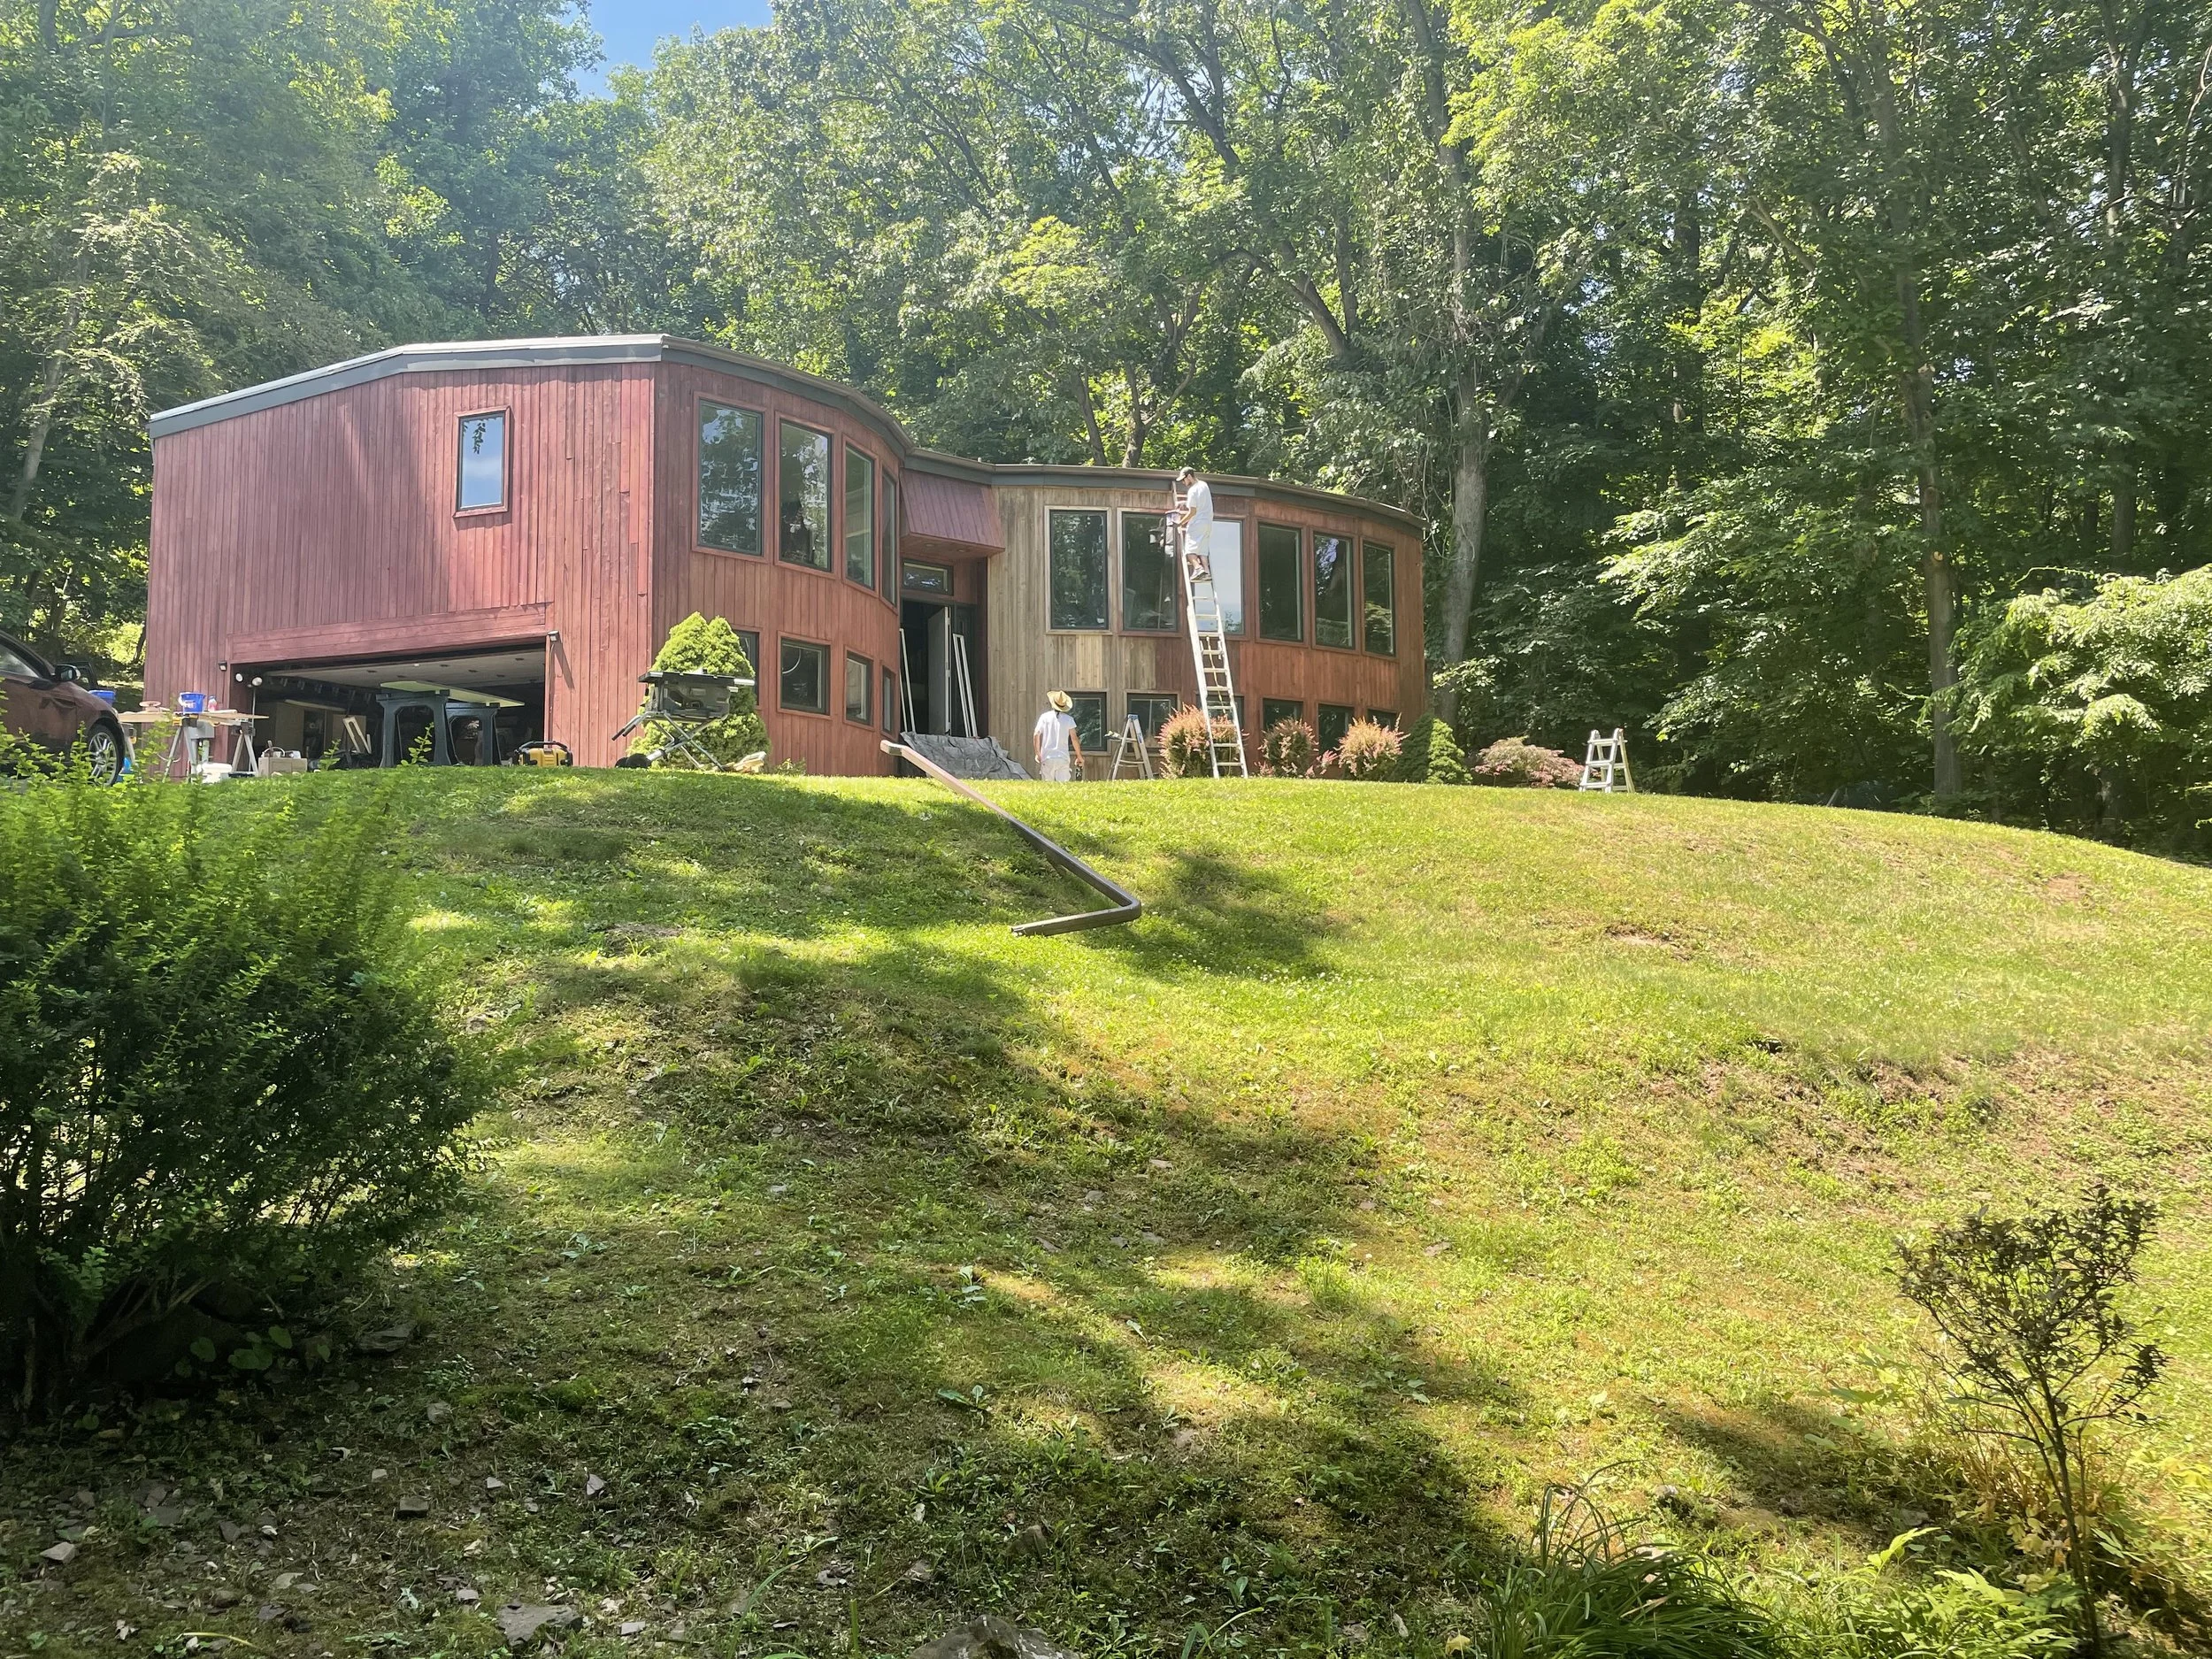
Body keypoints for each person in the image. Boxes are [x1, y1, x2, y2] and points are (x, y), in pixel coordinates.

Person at [1170, 465, 1214, 580]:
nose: (1184, 482)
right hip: (1208, 523)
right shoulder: (1204, 485)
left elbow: (1192, 512)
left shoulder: (1192, 490)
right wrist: (1184, 502)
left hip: (1197, 523)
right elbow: (1199, 502)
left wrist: (1180, 523)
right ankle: (1207, 571)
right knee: (1202, 550)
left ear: (1189, 476)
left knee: (1189, 550)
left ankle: (1198, 568)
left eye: (1184, 479)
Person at [1033, 689, 1079, 782]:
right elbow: (1074, 739)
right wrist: (1079, 756)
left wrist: (1038, 754)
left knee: (1047, 788)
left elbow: (1036, 735)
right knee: (1063, 788)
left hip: (1047, 757)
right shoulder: (1069, 720)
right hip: (1063, 758)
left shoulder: (1044, 717)